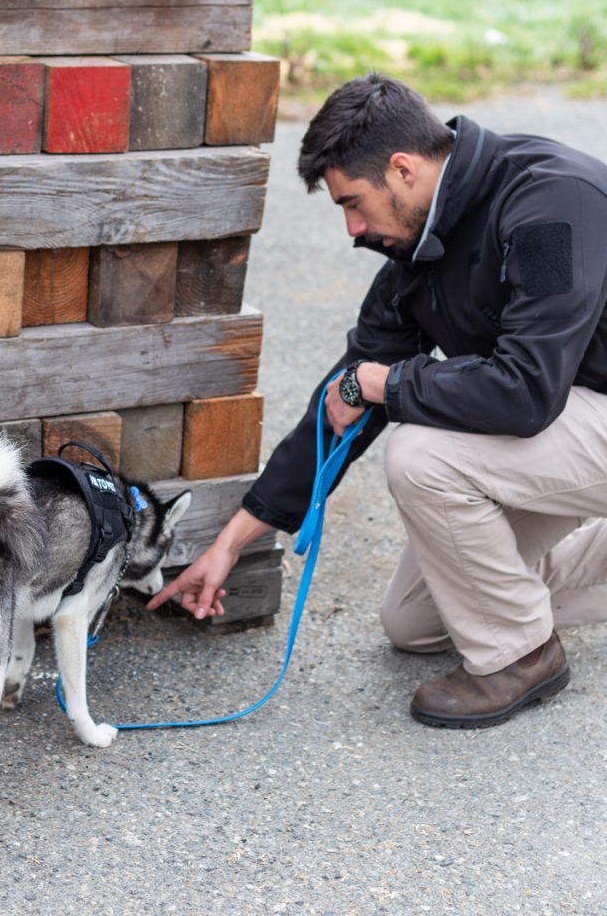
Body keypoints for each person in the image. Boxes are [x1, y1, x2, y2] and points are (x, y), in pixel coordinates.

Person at [148, 73, 607, 729]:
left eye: (354, 203)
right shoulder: (418, 246)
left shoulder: (553, 204)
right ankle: (513, 614)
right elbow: (344, 398)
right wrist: (231, 541)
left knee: (423, 455)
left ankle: (520, 656)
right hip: (574, 413)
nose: (351, 227)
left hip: (568, 403)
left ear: (404, 168)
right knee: (415, 621)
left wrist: (385, 384)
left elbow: (525, 392)